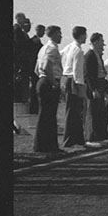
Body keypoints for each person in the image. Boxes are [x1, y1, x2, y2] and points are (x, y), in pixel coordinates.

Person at [32, 25, 63, 153]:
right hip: (49, 82)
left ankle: (46, 146)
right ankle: (46, 146)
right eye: (59, 33)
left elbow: (37, 69)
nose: (61, 36)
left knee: (46, 115)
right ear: (54, 34)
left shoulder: (43, 48)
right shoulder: (52, 48)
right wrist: (53, 83)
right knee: (48, 116)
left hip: (43, 81)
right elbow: (46, 66)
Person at [60, 26, 87, 147]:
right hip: (73, 81)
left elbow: (60, 56)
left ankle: (77, 139)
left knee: (73, 111)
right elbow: (77, 71)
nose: (86, 37)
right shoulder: (78, 50)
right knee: (73, 111)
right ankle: (69, 140)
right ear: (81, 35)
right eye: (85, 34)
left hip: (66, 78)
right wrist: (81, 88)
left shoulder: (69, 47)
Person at [83, 32, 108, 146]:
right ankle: (90, 137)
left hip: (100, 84)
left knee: (99, 112)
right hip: (94, 86)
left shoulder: (97, 55)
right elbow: (88, 74)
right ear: (96, 42)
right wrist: (93, 89)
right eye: (101, 41)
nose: (103, 44)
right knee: (92, 112)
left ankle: (98, 136)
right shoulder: (89, 55)